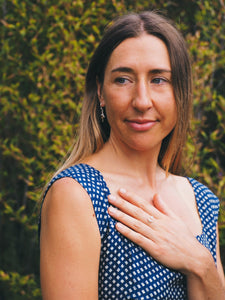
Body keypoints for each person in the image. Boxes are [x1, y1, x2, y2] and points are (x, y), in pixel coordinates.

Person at [39, 11, 225, 299]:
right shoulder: (77, 194)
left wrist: (200, 264)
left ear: (181, 93)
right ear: (101, 92)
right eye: (123, 80)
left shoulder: (202, 201)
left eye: (159, 80)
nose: (141, 101)